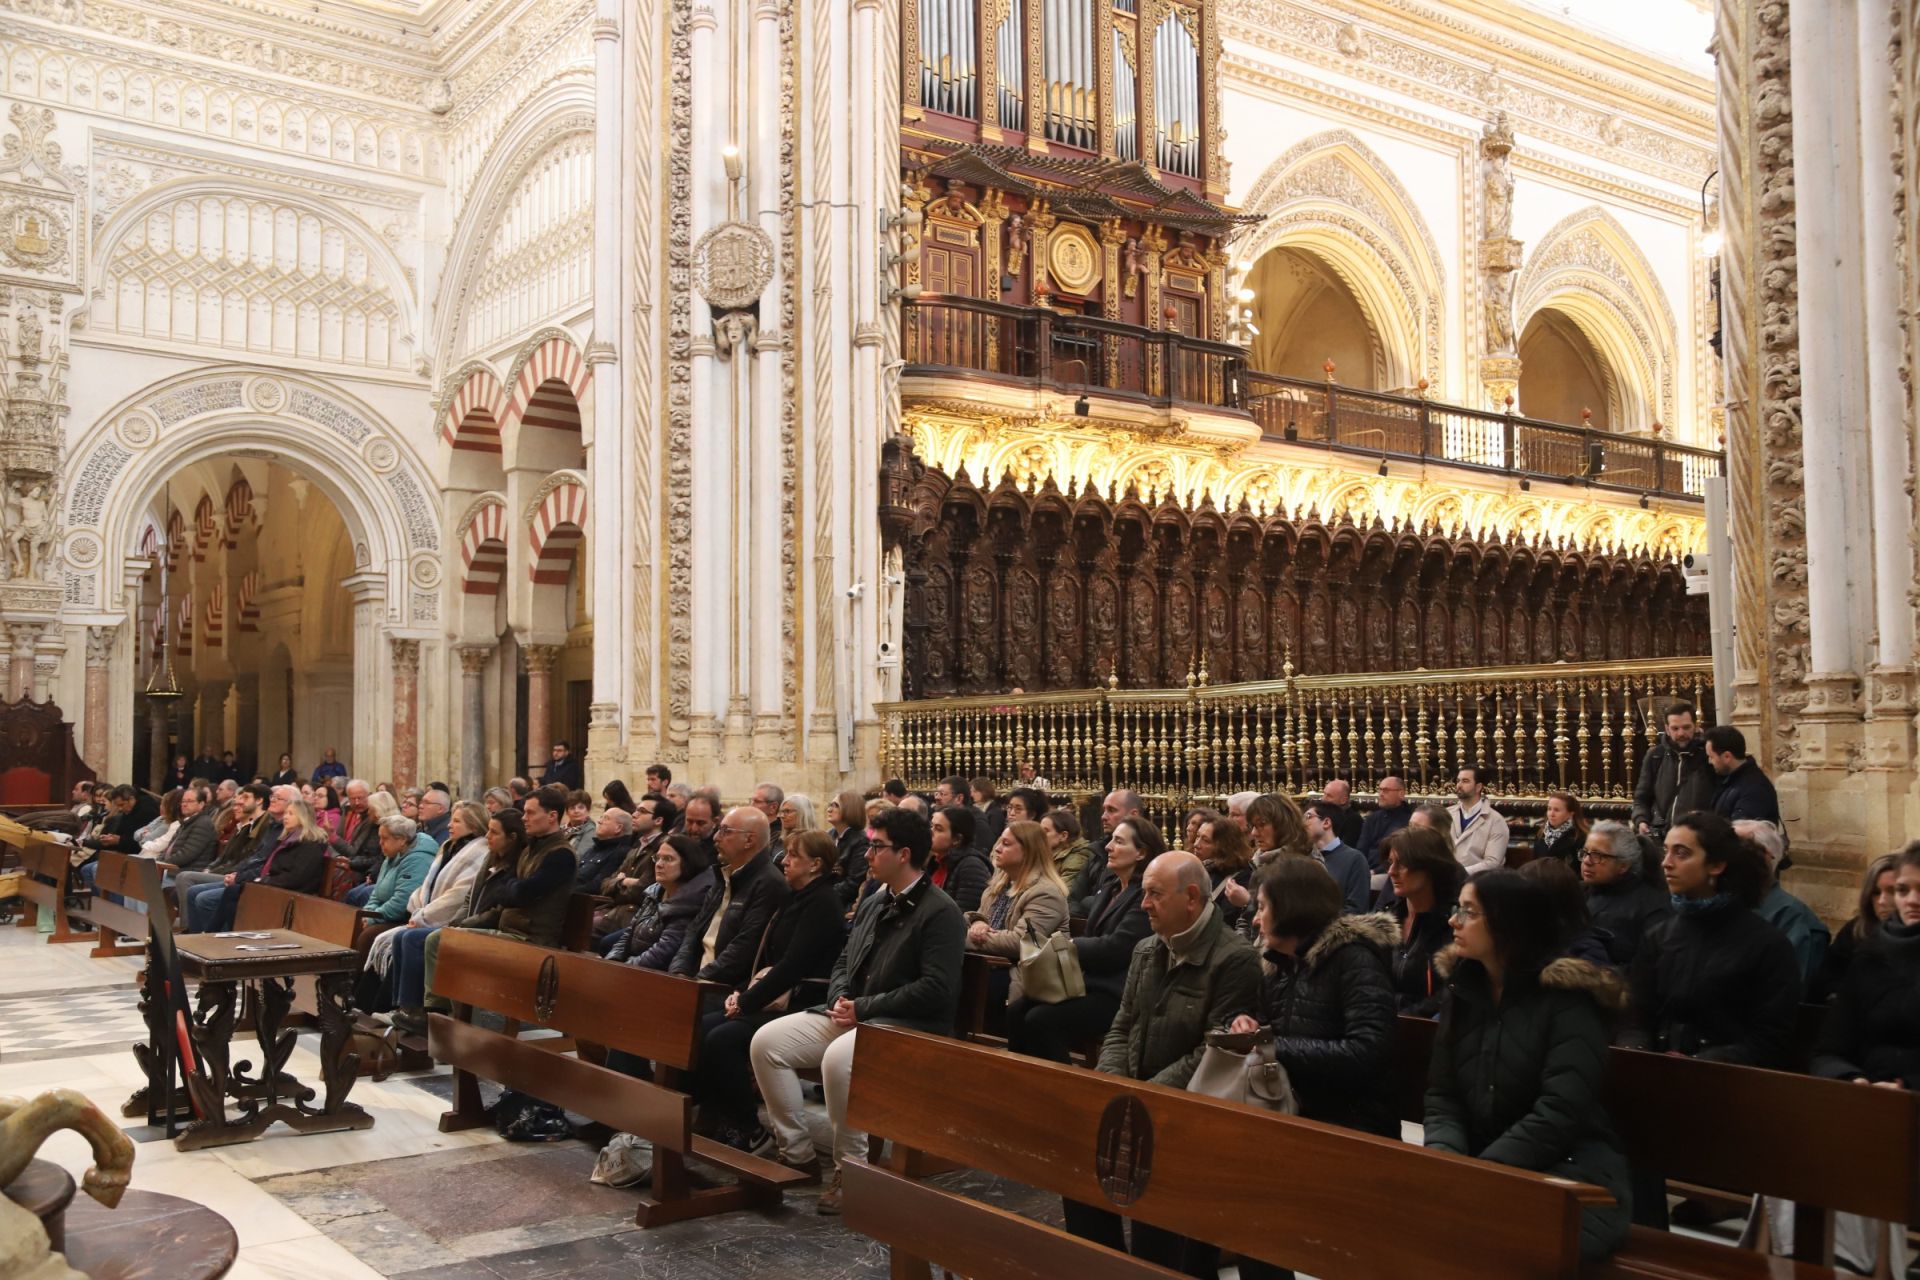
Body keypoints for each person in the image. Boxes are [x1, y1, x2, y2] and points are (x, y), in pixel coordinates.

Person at [750, 807, 966, 1212]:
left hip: (909, 1026)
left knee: (837, 1061)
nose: (866, 855)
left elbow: (937, 990)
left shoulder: (941, 912)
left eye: (876, 847)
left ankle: (852, 1170)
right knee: (766, 1041)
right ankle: (796, 1153)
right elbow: (844, 959)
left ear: (903, 854)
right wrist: (838, 997)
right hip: (858, 1014)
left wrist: (862, 1007)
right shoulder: (875, 899)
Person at [1065, 851, 1259, 1276]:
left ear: (1191, 897)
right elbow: (1121, 1026)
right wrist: (1112, 1087)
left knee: (1162, 1240)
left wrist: (1144, 1097)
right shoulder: (1147, 950)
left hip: (1190, 1114)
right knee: (1078, 1181)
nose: (1142, 904)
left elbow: (1215, 1052)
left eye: (1154, 894)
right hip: (1135, 1102)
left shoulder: (1234, 959)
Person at [1424, 870, 1633, 1259]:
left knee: (1490, 1246)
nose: (1454, 921)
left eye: (1469, 911)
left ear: (1508, 922)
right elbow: (1443, 1095)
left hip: (1571, 1174)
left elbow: (1561, 1111)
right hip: (1483, 1165)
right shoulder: (1464, 989)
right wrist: (1446, 1161)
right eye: (1458, 909)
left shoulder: (1567, 999)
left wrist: (1482, 1173)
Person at [1226, 857, 1398, 1151]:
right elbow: (1261, 1020)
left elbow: (1367, 1052)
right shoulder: (1278, 964)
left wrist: (1274, 1046)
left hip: (1350, 1121)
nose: (1255, 919)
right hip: (1287, 1105)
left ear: (1291, 908)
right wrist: (1243, 1021)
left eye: (1264, 907)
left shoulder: (1353, 960)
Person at [697, 830, 847, 1151]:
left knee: (722, 1039)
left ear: (816, 864)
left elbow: (793, 965)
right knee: (703, 1025)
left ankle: (751, 1130)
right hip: (776, 995)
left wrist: (747, 1001)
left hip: (803, 1002)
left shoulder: (823, 902)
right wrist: (742, 993)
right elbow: (767, 959)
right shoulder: (795, 897)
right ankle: (717, 1117)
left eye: (794, 855)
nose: (785, 860)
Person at [1624, 811, 1801, 1068]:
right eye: (1666, 851)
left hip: (1728, 1082)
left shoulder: (1767, 945)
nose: (1666, 863)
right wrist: (1637, 1051)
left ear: (1716, 865)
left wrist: (1698, 1064)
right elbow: (1635, 1015)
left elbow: (1770, 1038)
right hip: (1656, 1074)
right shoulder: (1659, 936)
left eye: (1681, 853)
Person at [415, 786, 578, 1024]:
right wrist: (511, 889)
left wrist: (511, 888)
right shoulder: (532, 848)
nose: (524, 818)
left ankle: (463, 1021)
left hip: (531, 938)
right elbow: (511, 891)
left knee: (451, 942)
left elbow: (521, 893)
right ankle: (438, 1012)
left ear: (552, 816)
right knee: (438, 938)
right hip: (509, 929)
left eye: (531, 813)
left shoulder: (560, 855)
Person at [1008, 816, 1158, 1063]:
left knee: (1040, 1020)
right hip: (1085, 982)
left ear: (1141, 852)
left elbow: (1117, 948)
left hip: (1116, 992)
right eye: (1111, 841)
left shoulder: (1144, 896)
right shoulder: (1110, 888)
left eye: (1118, 842)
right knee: (1017, 1010)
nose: (1108, 847)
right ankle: (1021, 1082)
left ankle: (1064, 1089)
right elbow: (1088, 927)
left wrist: (1070, 945)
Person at [361, 802, 490, 1012]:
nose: (450, 825)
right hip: (424, 914)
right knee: (390, 938)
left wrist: (423, 917)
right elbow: (426, 886)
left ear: (474, 826)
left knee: (405, 938)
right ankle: (375, 1006)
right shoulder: (449, 846)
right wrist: (418, 911)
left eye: (456, 821)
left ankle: (407, 1009)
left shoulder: (478, 852)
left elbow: (456, 896)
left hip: (447, 919)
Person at [1812, 842, 1920, 1089]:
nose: (1912, 900)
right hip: (1870, 1099)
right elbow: (1828, 1051)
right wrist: (1850, 1078)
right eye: (1902, 890)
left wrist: (1907, 1086)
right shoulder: (1869, 956)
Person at [671, 806, 789, 986]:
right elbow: (694, 929)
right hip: (695, 977)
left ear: (749, 840)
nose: (715, 837)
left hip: (724, 987)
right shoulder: (724, 874)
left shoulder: (769, 883)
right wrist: (678, 971)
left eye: (725, 831)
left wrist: (698, 981)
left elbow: (744, 949)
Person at [183, 790, 324, 933]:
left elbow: (296, 877)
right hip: (270, 886)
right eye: (286, 813)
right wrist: (251, 878)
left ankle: (215, 936)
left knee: (222, 895)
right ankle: (211, 935)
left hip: (289, 895)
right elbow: (263, 863)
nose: (286, 817)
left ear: (303, 817)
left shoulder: (309, 844)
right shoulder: (287, 839)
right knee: (227, 892)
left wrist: (260, 881)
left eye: (291, 814)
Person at [965, 820, 1070, 1011]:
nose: (997, 848)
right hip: (991, 965)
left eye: (1006, 844)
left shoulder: (1046, 893)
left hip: (1025, 976)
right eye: (999, 842)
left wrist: (965, 937)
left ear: (1028, 852)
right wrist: (977, 922)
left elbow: (1021, 942)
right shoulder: (998, 885)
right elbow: (977, 919)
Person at [1734, 819, 1829, 984]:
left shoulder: (1792, 917)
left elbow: (1786, 988)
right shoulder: (1718, 905)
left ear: (1765, 856)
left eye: (1737, 847)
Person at [1382, 826, 1465, 1015]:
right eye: (1390, 863)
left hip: (1427, 1029)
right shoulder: (1387, 919)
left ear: (1430, 867)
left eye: (1402, 864)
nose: (1391, 872)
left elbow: (1451, 993)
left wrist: (1404, 1020)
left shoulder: (1455, 923)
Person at [605, 835, 715, 968]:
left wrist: (624, 968)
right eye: (657, 858)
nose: (659, 864)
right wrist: (612, 961)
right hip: (633, 966)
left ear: (688, 863)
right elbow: (629, 934)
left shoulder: (690, 900)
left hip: (655, 974)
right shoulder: (654, 891)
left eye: (668, 859)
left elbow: (663, 953)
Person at [1580, 821, 1671, 969]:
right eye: (1585, 852)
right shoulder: (1581, 891)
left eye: (1597, 855)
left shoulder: (1653, 905)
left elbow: (1649, 967)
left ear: (1623, 865)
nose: (1586, 861)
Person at [593, 794, 676, 943]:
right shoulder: (636, 846)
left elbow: (644, 890)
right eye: (636, 810)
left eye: (642, 811)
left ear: (658, 820)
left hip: (632, 918)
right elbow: (605, 884)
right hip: (614, 912)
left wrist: (619, 882)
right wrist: (625, 882)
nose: (634, 814)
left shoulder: (663, 849)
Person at [1819, 853, 1901, 1001]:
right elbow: (1827, 982)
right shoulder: (1855, 931)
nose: (1882, 901)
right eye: (1876, 893)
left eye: (1892, 891)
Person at [354, 815, 437, 951]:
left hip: (406, 919)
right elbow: (377, 893)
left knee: (368, 935)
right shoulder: (392, 854)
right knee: (351, 923)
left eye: (385, 838)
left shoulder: (418, 860)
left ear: (402, 840)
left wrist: (372, 919)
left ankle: (359, 972)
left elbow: (402, 902)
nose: (380, 843)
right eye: (380, 837)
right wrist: (367, 913)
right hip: (386, 915)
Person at [1631, 702, 1714, 839]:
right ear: (1667, 729)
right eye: (1675, 728)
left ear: (1696, 726)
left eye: (1686, 727)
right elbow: (1641, 797)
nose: (1681, 733)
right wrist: (1641, 820)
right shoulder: (1655, 756)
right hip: (1662, 834)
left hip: (1698, 835)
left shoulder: (1708, 756)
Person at [1069, 789, 1144, 915]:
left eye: (1112, 810)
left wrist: (1088, 903)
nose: (1103, 816)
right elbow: (1072, 900)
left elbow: (1120, 905)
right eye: (1104, 810)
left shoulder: (1144, 853)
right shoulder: (1098, 851)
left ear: (1133, 815)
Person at [1301, 799, 1373, 914]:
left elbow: (1356, 909)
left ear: (1326, 823)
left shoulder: (1354, 859)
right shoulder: (1302, 858)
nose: (1302, 824)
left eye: (1308, 817)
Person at [1705, 725, 1781, 826]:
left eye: (1711, 757)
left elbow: (1742, 831)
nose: (1709, 761)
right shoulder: (1731, 779)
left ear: (1727, 756)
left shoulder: (1755, 789)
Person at [1193, 813, 1253, 928]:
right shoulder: (1203, 869)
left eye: (1205, 840)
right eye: (1197, 836)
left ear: (1224, 846)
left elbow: (1225, 922)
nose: (1196, 844)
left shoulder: (1242, 877)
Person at [928, 804, 990, 913]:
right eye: (931, 826)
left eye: (938, 829)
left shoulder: (971, 866)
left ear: (957, 839)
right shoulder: (936, 861)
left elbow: (964, 914)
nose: (931, 832)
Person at [1446, 764, 1507, 874]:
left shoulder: (1496, 820)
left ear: (1478, 787)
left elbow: (1492, 862)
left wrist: (1459, 873)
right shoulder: (1447, 814)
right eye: (1458, 781)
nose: (1459, 785)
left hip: (1478, 883)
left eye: (1465, 781)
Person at [574, 806, 636, 893]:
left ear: (618, 828)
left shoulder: (621, 852)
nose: (599, 821)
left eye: (606, 818)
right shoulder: (593, 849)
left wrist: (565, 892)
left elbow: (598, 885)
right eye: (601, 817)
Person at [1356, 776, 1411, 871]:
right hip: (1366, 869)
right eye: (1380, 790)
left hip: (1391, 871)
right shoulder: (1372, 818)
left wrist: (1376, 871)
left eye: (1386, 790)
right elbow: (1361, 849)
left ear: (1401, 794)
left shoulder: (1409, 820)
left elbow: (1401, 855)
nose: (1381, 794)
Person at [826, 789, 870, 908]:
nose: (829, 809)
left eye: (835, 806)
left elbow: (853, 883)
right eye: (830, 805)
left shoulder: (861, 841)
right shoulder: (829, 835)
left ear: (850, 809)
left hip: (843, 904)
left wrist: (824, 895)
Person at [1039, 806, 1090, 889]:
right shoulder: (1047, 854)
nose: (1040, 835)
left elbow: (1063, 891)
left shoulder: (1077, 858)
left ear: (1063, 836)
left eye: (1045, 831)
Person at [1534, 792, 1587, 869]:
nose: (1551, 814)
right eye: (1549, 809)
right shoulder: (1541, 834)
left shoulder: (1579, 837)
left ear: (1570, 814)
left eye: (1557, 810)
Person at [1320, 779, 1364, 848]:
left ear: (1343, 800)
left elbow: (1345, 848)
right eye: (1324, 794)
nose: (1323, 799)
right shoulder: (1322, 815)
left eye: (1329, 796)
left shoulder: (1353, 820)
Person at [751, 782, 786, 846]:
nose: (751, 805)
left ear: (773, 807)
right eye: (751, 800)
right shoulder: (751, 829)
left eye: (757, 801)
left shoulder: (779, 837)